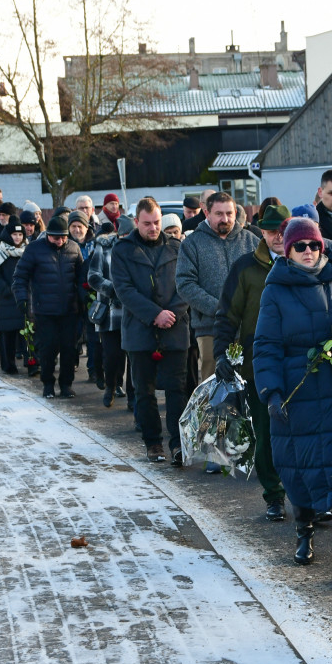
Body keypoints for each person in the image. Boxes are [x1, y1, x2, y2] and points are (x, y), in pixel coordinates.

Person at [252, 217, 332, 582]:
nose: (309, 252)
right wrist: (271, 393)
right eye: (300, 246)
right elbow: (266, 346)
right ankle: (304, 533)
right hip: (297, 390)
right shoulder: (275, 290)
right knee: (300, 466)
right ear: (287, 250)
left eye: (314, 245)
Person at [212, 204, 291, 520]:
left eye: (283, 231)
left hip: (299, 362)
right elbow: (227, 315)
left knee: (302, 433)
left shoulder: (305, 262)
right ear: (262, 232)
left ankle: (310, 496)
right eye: (272, 231)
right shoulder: (245, 268)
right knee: (267, 431)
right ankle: (274, 495)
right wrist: (221, 354)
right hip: (259, 364)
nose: (278, 237)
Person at [111, 198, 189, 465]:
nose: (154, 228)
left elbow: (187, 284)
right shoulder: (123, 250)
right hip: (140, 331)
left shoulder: (177, 248)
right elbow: (124, 290)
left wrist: (172, 314)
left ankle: (178, 443)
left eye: (157, 222)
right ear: (137, 222)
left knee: (177, 389)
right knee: (144, 390)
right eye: (147, 223)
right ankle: (153, 442)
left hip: (175, 328)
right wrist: (154, 314)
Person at [175, 191, 259, 383]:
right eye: (219, 214)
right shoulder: (192, 244)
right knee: (214, 387)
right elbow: (185, 284)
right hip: (209, 328)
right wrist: (220, 308)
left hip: (248, 328)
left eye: (229, 213)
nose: (226, 219)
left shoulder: (251, 241)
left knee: (249, 383)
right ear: (207, 213)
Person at [12, 214, 85, 399]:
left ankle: (66, 384)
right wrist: (22, 299)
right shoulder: (35, 249)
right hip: (45, 310)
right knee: (48, 349)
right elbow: (20, 277)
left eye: (63, 237)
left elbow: (81, 278)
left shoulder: (74, 248)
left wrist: (85, 299)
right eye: (55, 237)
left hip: (70, 309)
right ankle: (48, 384)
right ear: (48, 235)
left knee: (69, 349)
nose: (60, 241)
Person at [89, 218, 132, 407]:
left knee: (135, 358)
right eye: (124, 235)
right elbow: (93, 276)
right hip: (110, 311)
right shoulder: (104, 247)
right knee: (112, 355)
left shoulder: (139, 248)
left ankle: (134, 397)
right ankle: (110, 386)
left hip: (133, 312)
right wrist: (115, 289)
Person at [0, 216, 27, 374]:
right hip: (7, 299)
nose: (17, 238)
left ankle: (31, 362)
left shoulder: (28, 251)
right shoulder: (0, 253)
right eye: (14, 235)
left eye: (20, 235)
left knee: (27, 333)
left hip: (24, 297)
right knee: (7, 335)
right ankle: (8, 365)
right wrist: (5, 289)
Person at [68, 210, 100, 388]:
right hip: (71, 295)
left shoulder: (94, 245)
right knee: (74, 333)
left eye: (80, 226)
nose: (77, 230)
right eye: (73, 226)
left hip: (90, 294)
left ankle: (93, 369)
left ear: (86, 227)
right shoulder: (66, 244)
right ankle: (72, 361)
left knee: (93, 336)